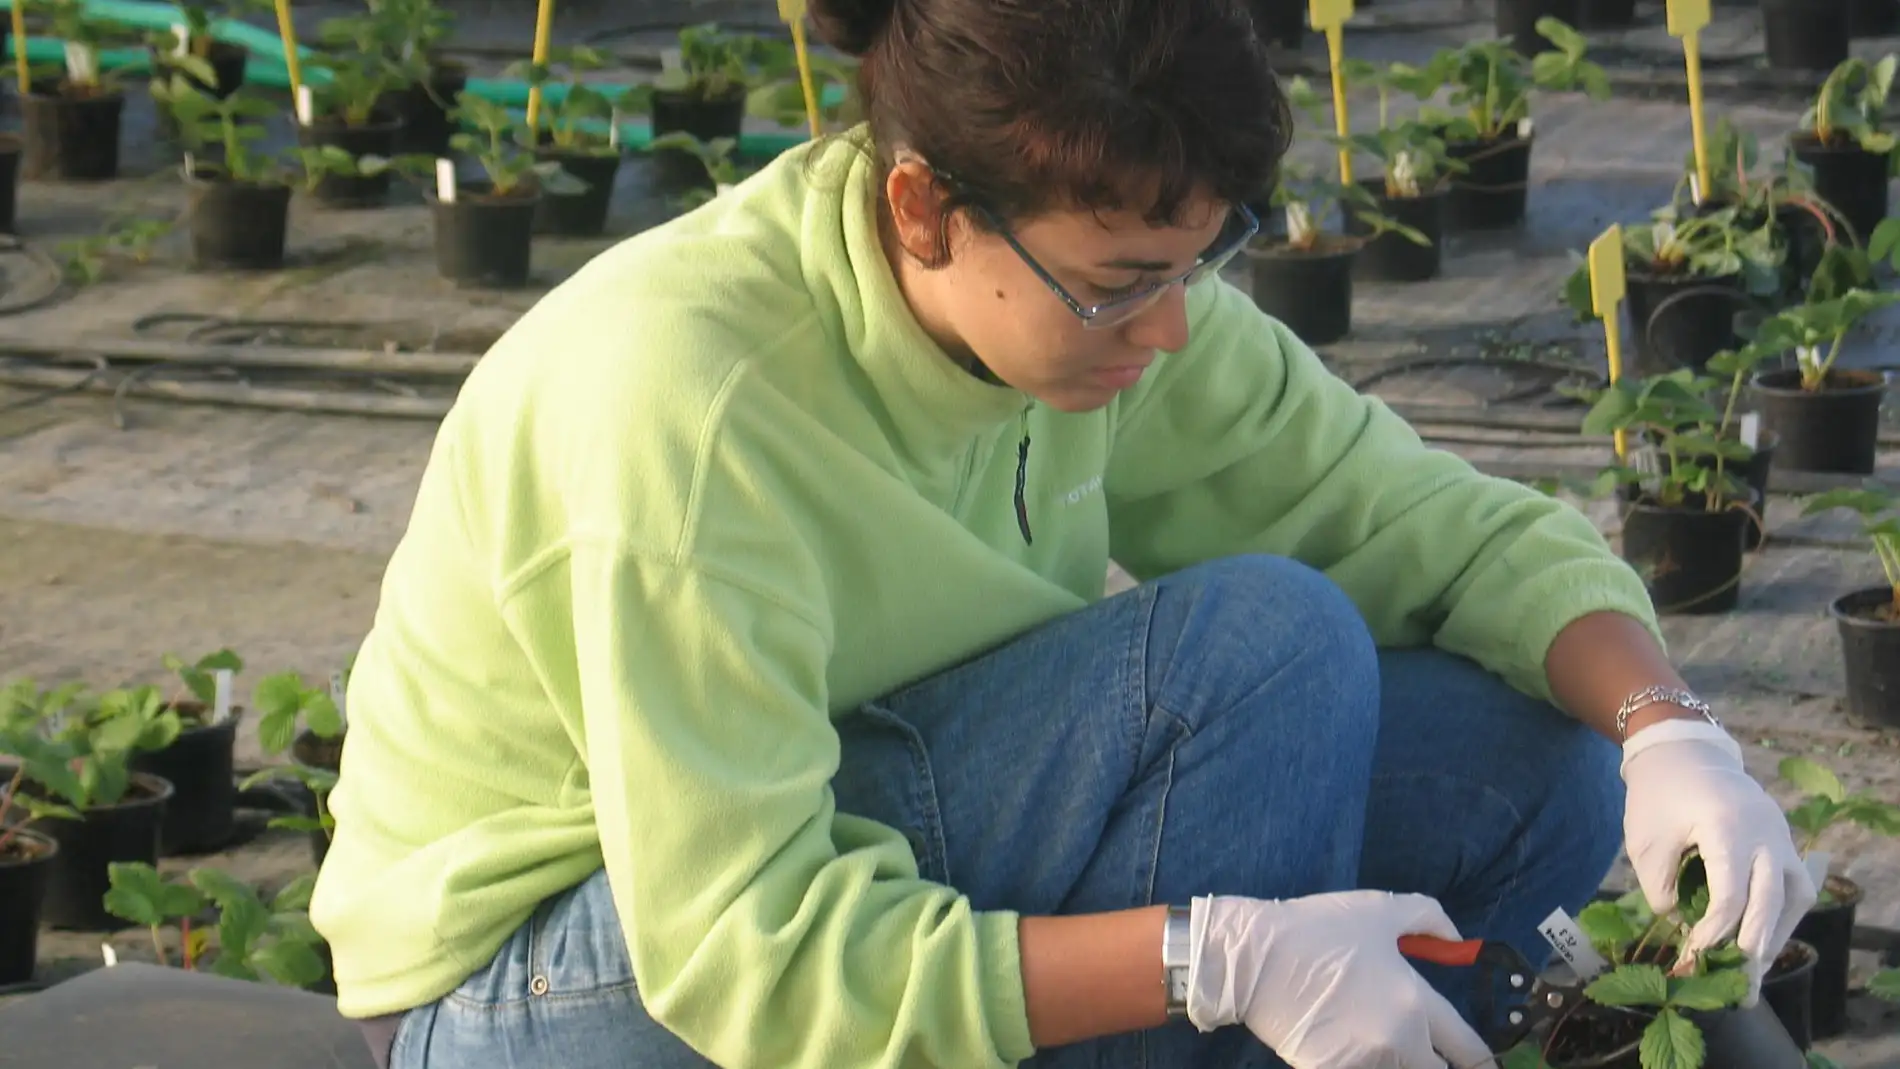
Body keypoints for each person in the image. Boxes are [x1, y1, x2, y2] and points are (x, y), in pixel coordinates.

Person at [308, 0, 1816, 1066]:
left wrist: (1670, 729)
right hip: (546, 988)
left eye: (1196, 260)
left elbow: (1420, 523)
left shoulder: (1106, 313)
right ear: (921, 209)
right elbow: (744, 953)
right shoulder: (690, 409)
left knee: (1526, 743)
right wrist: (1216, 958)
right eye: (1115, 281)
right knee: (1257, 655)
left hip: (845, 841)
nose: (1166, 327)